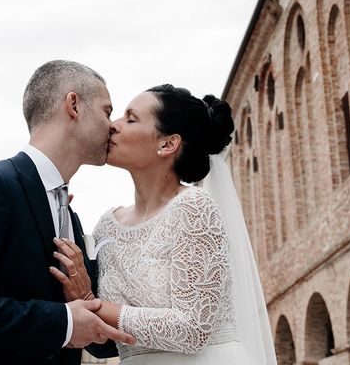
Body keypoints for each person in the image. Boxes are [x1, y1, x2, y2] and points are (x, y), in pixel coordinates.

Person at [0, 60, 135, 365]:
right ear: (74, 104)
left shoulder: (70, 216)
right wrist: (63, 322)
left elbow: (94, 340)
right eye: (107, 111)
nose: (112, 125)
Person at [52, 84, 277, 364]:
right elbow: (105, 342)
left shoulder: (194, 207)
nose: (113, 126)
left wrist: (92, 300)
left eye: (130, 119)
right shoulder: (107, 226)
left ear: (167, 144)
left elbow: (192, 329)